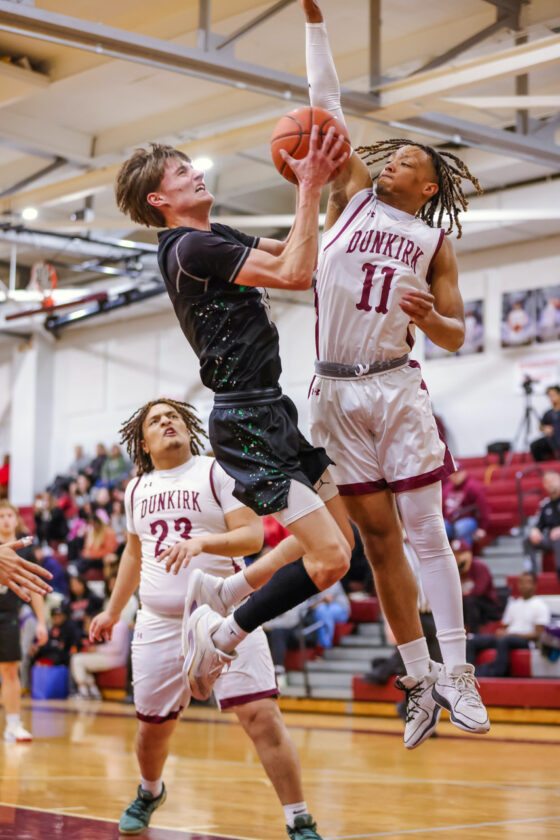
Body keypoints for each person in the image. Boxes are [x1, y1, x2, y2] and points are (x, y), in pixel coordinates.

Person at [297, 0, 488, 748]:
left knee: (426, 531)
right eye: (391, 156)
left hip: (395, 383)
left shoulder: (434, 243)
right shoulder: (349, 199)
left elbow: (457, 334)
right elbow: (326, 105)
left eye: (408, 162)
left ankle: (459, 671)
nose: (392, 164)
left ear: (429, 187)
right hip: (334, 390)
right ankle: (418, 681)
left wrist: (430, 318)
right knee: (378, 542)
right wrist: (316, 26)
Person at [115, 124, 355, 708]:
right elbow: (294, 275)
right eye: (182, 172)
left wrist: (328, 193)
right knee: (329, 559)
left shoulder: (212, 234)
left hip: (272, 407)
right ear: (159, 199)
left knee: (343, 544)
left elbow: (299, 251)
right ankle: (224, 632)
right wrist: (307, 185)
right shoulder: (190, 248)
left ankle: (228, 590)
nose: (198, 172)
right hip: (246, 421)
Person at [90, 399, 326, 840]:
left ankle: (299, 818)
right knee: (153, 729)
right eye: (156, 420)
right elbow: (133, 555)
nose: (167, 421)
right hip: (158, 622)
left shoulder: (217, 470)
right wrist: (113, 610)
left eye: (174, 415)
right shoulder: (135, 489)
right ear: (144, 443)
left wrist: (202, 543)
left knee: (261, 716)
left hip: (225, 613)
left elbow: (251, 536)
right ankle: (149, 791)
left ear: (188, 427)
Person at [0, 501, 48, 741]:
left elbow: (36, 589)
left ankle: (13, 724)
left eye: (10, 515)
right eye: (1, 516)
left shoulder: (25, 551)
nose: (6, 520)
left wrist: (41, 622)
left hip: (9, 616)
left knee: (11, 670)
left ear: (16, 519)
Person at [466, 572, 550, 677]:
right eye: (521, 582)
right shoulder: (513, 604)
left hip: (525, 641)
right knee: (472, 639)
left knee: (504, 640)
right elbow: (505, 627)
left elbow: (537, 634)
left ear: (534, 585)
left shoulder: (540, 605)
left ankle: (498, 671)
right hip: (508, 637)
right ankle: (466, 672)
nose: (524, 585)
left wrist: (509, 634)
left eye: (527, 582)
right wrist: (501, 632)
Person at [451, 539, 501, 633]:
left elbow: (478, 591)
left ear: (469, 554)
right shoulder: (452, 570)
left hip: (487, 606)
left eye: (460, 554)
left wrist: (459, 595)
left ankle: (473, 634)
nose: (457, 557)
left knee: (469, 601)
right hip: (466, 604)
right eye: (454, 554)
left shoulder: (479, 566)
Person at [523, 470, 560, 577]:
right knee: (528, 540)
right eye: (547, 481)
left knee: (558, 539)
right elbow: (539, 525)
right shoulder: (545, 504)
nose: (550, 483)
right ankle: (531, 573)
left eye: (553, 480)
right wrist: (535, 531)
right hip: (550, 538)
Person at [442, 464, 489, 546]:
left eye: (458, 473)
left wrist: (482, 528)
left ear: (464, 472)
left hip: (467, 520)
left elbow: (483, 507)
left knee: (461, 527)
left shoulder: (473, 487)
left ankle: (464, 551)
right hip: (449, 521)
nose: (455, 476)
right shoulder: (446, 488)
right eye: (452, 474)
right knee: (439, 526)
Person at [530, 385, 560, 462]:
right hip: (551, 439)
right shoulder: (548, 413)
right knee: (535, 446)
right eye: (549, 396)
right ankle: (542, 467)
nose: (551, 398)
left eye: (553, 395)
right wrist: (545, 428)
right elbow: (541, 426)